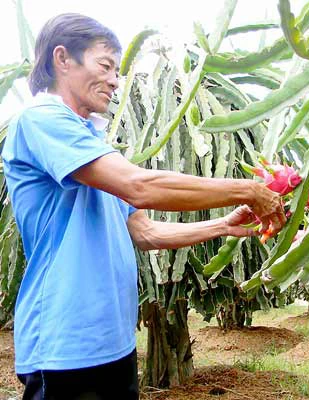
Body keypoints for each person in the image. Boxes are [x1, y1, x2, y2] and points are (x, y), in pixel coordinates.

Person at [1, 13, 286, 400]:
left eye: (117, 70)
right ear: (62, 59)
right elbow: (138, 186)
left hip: (113, 343)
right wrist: (248, 190)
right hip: (65, 344)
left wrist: (222, 225)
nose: (115, 80)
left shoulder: (92, 146)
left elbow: (145, 231)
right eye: (105, 66)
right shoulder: (41, 120)